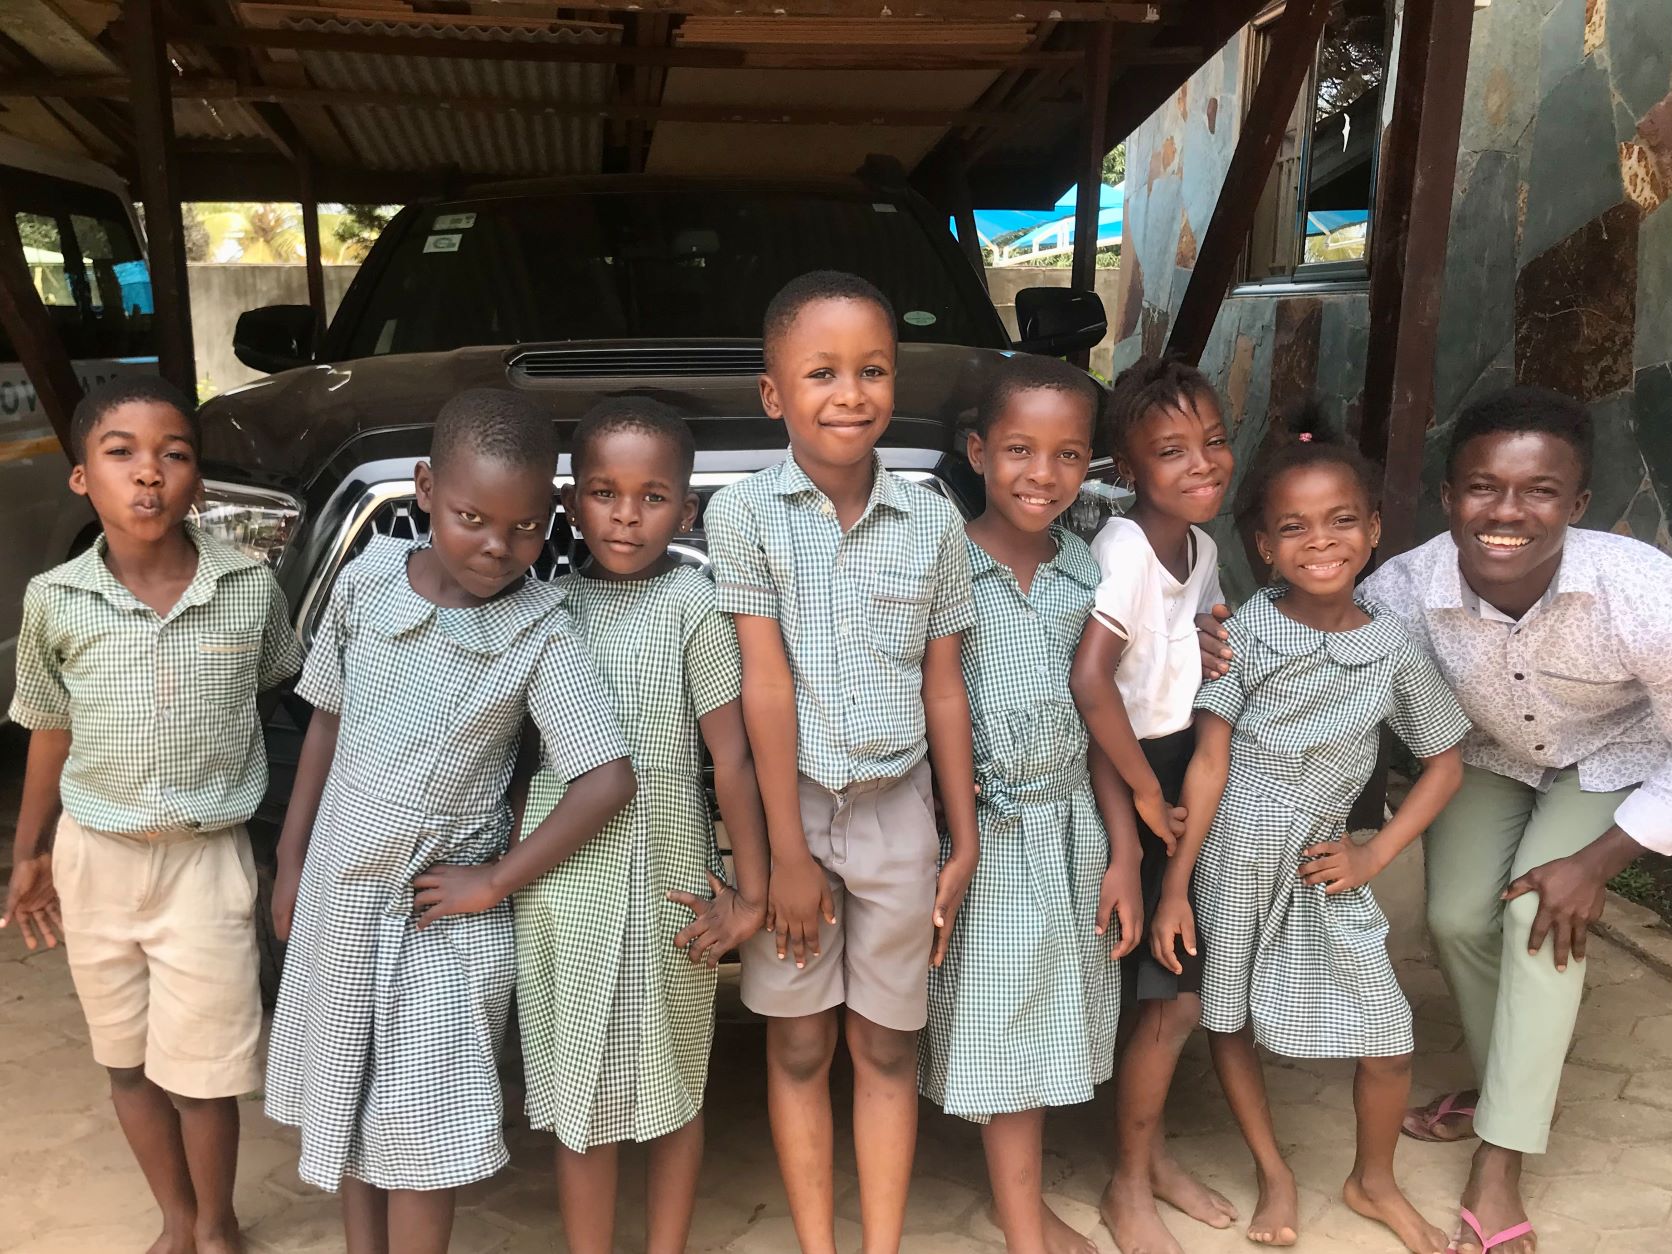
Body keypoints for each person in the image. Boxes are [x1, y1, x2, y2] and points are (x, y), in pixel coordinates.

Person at [264, 388, 637, 1254]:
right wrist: (290, 859)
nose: (497, 547)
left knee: (417, 1140)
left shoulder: (539, 629)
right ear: (426, 489)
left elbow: (606, 778)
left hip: (437, 920)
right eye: (472, 516)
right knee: (348, 1111)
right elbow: (325, 720)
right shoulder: (364, 583)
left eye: (524, 527)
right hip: (338, 901)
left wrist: (496, 882)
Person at [1348, 387, 1672, 1254]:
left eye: (1538, 491)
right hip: (1490, 756)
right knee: (1455, 917)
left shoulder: (1640, 591)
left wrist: (1599, 862)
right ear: (1450, 497)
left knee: (1539, 912)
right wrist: (1230, 638)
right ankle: (1513, 1083)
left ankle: (1502, 1152)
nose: (1507, 513)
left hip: (1615, 758)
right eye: (1483, 487)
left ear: (1578, 503)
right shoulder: (1406, 588)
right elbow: (1326, 647)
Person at [706, 270, 980, 1254]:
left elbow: (945, 689)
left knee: (885, 1043)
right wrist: (782, 855)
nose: (849, 394)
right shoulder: (743, 519)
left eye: (871, 370)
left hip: (901, 812)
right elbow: (761, 689)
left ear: (894, 382)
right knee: (798, 1039)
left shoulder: (933, 522)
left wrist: (962, 835)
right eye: (820, 373)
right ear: (775, 393)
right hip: (798, 814)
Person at [1, 376, 302, 1254]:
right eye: (120, 454)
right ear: (80, 480)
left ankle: (215, 1223)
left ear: (197, 483)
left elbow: (277, 701)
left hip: (206, 862)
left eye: (174, 456)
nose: (148, 476)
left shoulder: (249, 592)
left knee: (204, 1074)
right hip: (95, 858)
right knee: (126, 1062)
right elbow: (49, 731)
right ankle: (173, 1217)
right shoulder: (55, 601)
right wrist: (29, 854)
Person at [1175, 416, 1469, 1254]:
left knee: (1388, 1033)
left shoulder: (1394, 649)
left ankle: (1371, 1180)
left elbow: (1444, 761)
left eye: (1343, 520)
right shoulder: (1244, 634)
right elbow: (1209, 759)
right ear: (1264, 546)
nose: (1321, 542)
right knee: (1227, 1016)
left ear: (1374, 531)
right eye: (1294, 527)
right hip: (1235, 854)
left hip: (1324, 859)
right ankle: (1272, 1168)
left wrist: (1377, 851)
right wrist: (1176, 882)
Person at [514, 398, 771, 1254]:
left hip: (666, 872)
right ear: (570, 501)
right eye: (603, 493)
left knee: (672, 1083)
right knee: (575, 1089)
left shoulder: (696, 606)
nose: (625, 516)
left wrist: (750, 893)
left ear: (687, 509)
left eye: (653, 496)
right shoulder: (542, 607)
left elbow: (731, 760)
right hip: (562, 881)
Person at [919, 355, 1142, 1254]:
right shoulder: (943, 569)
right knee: (1002, 1024)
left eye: (1067, 455)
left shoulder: (1088, 575)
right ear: (977, 451)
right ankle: (1021, 1226)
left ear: (1090, 465)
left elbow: (1101, 733)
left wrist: (1123, 855)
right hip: (987, 834)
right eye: (1018, 449)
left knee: (1048, 1019)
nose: (1041, 475)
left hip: (1074, 835)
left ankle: (1024, 1204)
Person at [1065, 355, 1241, 1254]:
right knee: (1165, 993)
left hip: (1177, 774)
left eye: (1213, 442)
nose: (1202, 464)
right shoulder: (1125, 549)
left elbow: (1191, 649)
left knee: (1171, 992)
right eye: (1171, 451)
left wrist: (1211, 641)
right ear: (1128, 471)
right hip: (1123, 775)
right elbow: (1092, 685)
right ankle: (1128, 1183)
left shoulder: (1201, 549)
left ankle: (1149, 1159)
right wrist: (1137, 812)